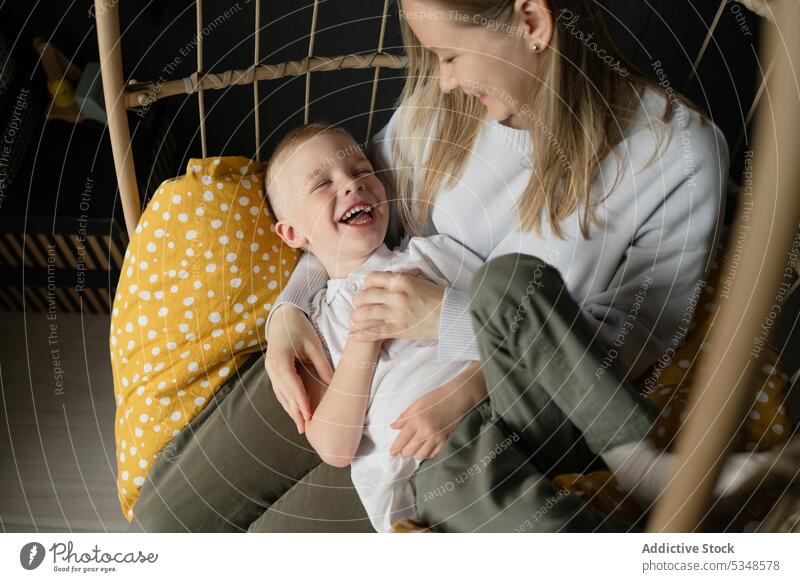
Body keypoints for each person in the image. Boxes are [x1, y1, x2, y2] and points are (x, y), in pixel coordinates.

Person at [128, 0, 744, 532]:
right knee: (167, 522)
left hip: (493, 403)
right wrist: (291, 305)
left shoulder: (675, 153)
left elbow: (631, 346)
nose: (441, 82)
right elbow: (358, 217)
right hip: (354, 341)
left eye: (450, 57)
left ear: (530, 19)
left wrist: (450, 333)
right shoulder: (448, 104)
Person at [263, 122, 484, 531]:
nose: (352, 185)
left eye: (362, 171)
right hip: (419, 488)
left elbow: (511, 330)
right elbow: (334, 446)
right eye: (321, 184)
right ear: (292, 233)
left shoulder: (433, 255)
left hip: (489, 416)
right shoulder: (314, 326)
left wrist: (469, 389)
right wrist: (362, 340)